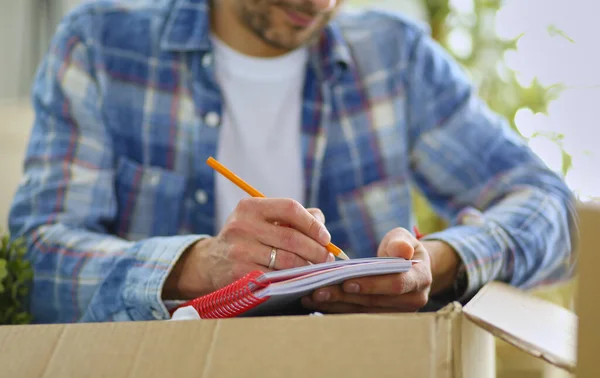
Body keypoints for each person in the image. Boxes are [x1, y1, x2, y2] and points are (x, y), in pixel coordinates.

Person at [9, 0, 577, 323]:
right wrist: (197, 266)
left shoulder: (394, 59)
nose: (318, 4)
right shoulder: (103, 46)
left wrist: (442, 260)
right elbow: (34, 260)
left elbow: (555, 209)